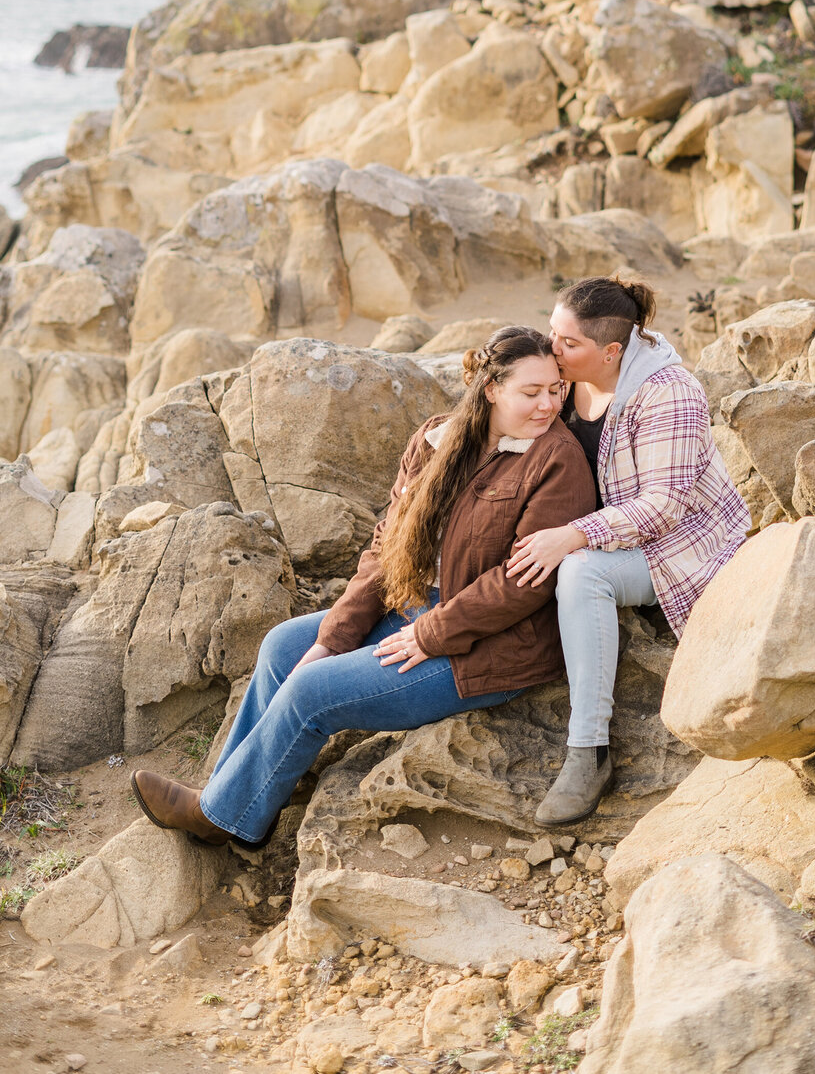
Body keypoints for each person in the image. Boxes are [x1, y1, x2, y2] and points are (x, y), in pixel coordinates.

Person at [130, 326, 595, 848]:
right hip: (413, 606)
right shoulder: (437, 439)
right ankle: (237, 793)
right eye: (531, 392)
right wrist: (335, 637)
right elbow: (387, 547)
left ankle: (222, 818)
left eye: (556, 389)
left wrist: (430, 635)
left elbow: (522, 583)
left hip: (488, 646)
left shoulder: (558, 459)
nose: (548, 404)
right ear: (490, 389)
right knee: (285, 646)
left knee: (310, 692)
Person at [507, 275, 750, 826]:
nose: (553, 350)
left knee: (581, 574)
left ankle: (588, 751)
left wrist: (575, 535)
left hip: (684, 543)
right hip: (610, 529)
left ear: (611, 350)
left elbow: (664, 505)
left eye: (568, 343)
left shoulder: (670, 392)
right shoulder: (566, 378)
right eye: (552, 334)